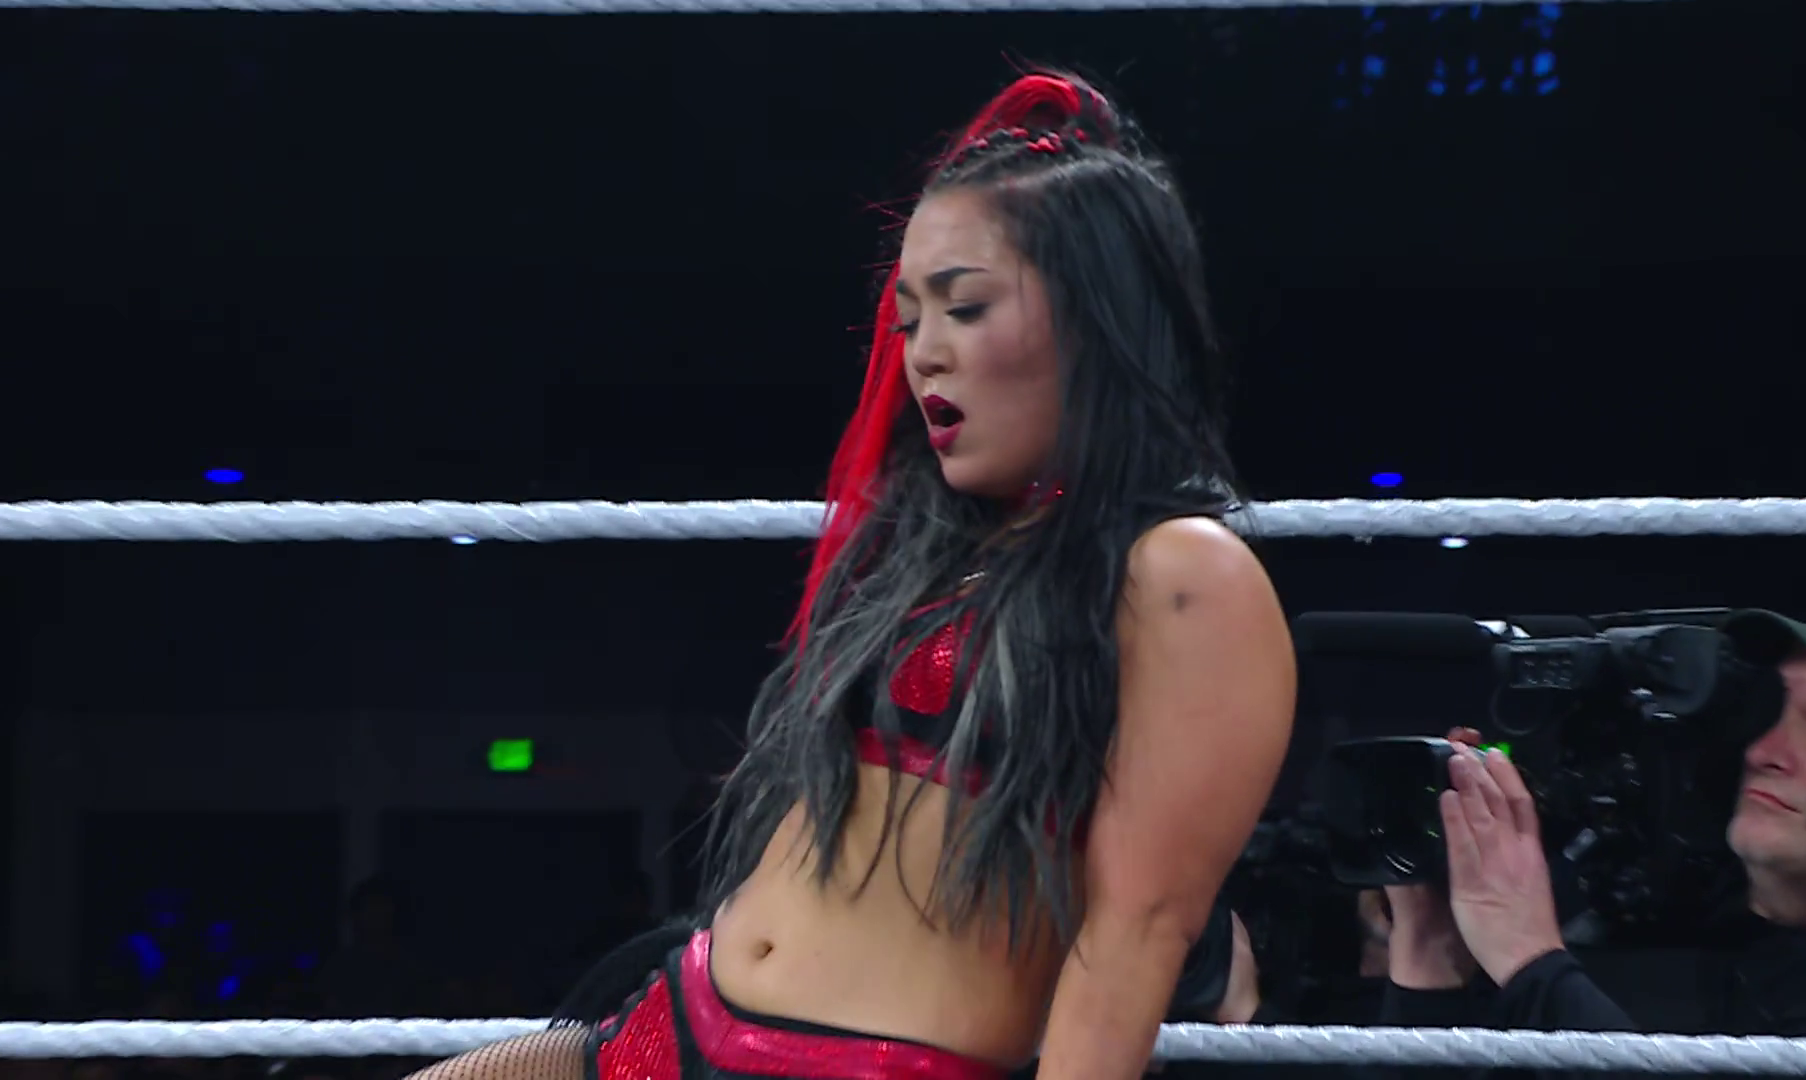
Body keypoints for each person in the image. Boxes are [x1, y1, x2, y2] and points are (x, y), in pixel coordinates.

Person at [403, 69, 1295, 1080]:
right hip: (665, 1029)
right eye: (910, 320)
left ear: (1098, 318)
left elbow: (1134, 936)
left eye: (965, 307)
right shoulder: (954, 558)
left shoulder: (1183, 574)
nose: (925, 356)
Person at [1378, 594, 1806, 1079]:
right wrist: (1430, 966)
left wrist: (1532, 966)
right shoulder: (1640, 946)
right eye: (1773, 713)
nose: (1763, 752)